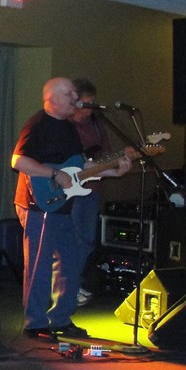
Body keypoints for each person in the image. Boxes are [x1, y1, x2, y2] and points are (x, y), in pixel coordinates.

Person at [11, 77, 131, 339]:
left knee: (70, 262)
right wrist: (54, 173)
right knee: (40, 264)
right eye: (69, 94)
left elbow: (80, 167)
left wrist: (113, 171)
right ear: (51, 98)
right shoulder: (38, 124)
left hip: (64, 205)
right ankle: (36, 323)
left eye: (76, 94)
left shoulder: (69, 128)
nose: (75, 98)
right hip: (38, 205)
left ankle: (61, 319)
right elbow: (18, 161)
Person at [70, 78, 114, 307]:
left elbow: (104, 154)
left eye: (92, 103)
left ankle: (74, 284)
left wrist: (119, 161)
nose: (88, 109)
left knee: (86, 241)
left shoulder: (96, 123)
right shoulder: (64, 124)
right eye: (86, 103)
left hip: (92, 189)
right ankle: (67, 288)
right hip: (70, 190)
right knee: (71, 240)